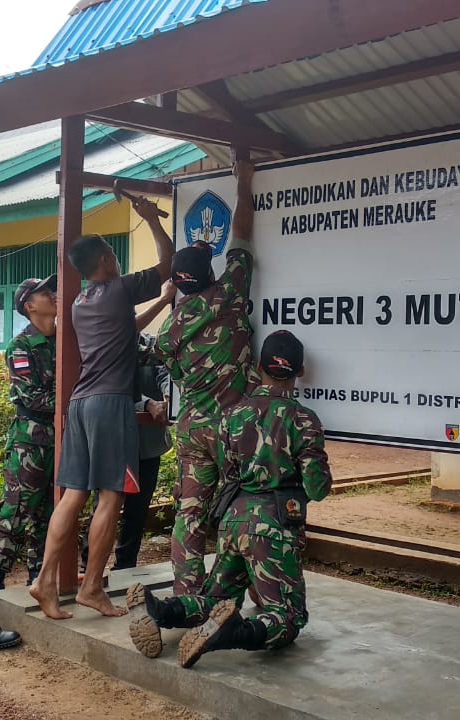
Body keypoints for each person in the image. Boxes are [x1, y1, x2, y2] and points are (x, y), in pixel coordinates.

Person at [125, 330, 332, 669]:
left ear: (259, 367)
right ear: (301, 371)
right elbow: (316, 487)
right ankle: (232, 631)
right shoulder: (304, 419)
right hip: (274, 527)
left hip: (233, 521)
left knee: (214, 599)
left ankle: (158, 609)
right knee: (288, 616)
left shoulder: (234, 415)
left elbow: (229, 471)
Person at [29, 198, 175, 621]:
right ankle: (92, 586)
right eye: (113, 253)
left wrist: (159, 303)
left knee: (73, 494)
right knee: (111, 496)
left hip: (80, 403)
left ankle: (44, 581)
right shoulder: (120, 288)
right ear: (107, 259)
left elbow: (126, 331)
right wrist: (151, 220)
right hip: (111, 405)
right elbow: (168, 263)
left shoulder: (80, 303)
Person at [155, 159, 260, 594]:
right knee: (245, 507)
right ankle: (239, 592)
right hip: (233, 427)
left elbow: (171, 367)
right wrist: (244, 181)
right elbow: (241, 235)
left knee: (190, 512)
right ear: (209, 272)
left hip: (193, 427)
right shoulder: (229, 293)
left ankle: (186, 594)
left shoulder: (169, 329)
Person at [0, 276, 59, 592]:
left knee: (51, 512)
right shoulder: (21, 346)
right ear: (30, 306)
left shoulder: (66, 339)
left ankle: (38, 577)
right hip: (31, 442)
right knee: (16, 509)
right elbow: (31, 397)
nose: (53, 295)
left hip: (63, 439)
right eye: (45, 293)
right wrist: (74, 399)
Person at [114, 331, 173, 570]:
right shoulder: (105, 340)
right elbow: (111, 386)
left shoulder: (151, 344)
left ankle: (125, 566)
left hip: (148, 444)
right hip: (114, 444)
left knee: (137, 512)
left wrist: (170, 396)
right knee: (106, 507)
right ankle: (90, 566)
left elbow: (166, 372)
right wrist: (146, 403)